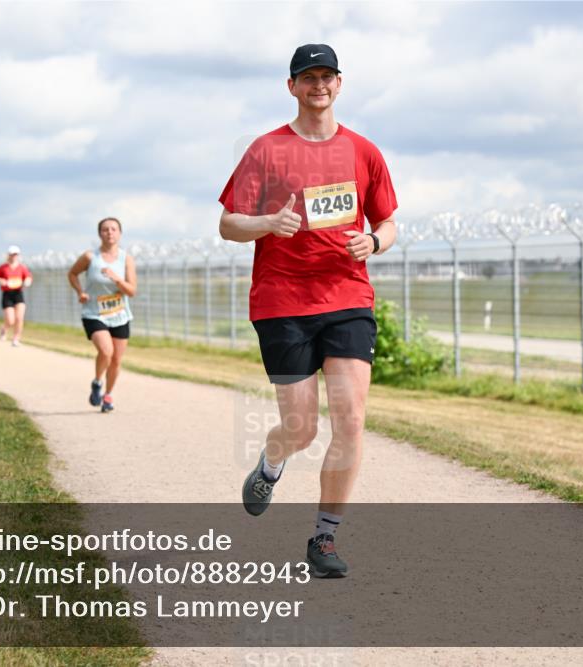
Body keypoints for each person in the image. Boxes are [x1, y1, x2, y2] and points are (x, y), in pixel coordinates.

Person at [218, 44, 397, 578]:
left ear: (339, 84)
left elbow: (388, 222)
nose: (318, 85)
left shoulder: (364, 151)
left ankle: (324, 538)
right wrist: (269, 223)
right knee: (300, 428)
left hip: (347, 298)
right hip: (283, 301)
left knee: (351, 419)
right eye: (308, 77)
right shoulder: (267, 150)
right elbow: (229, 224)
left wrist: (375, 242)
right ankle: (272, 462)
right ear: (292, 86)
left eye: (327, 76)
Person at [68, 217, 138, 413]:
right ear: (100, 234)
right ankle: (98, 381)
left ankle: (108, 395)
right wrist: (80, 291)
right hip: (94, 313)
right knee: (106, 352)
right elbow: (72, 274)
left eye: (114, 229)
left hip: (120, 314)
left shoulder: (126, 259)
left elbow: (132, 291)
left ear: (120, 233)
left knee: (116, 359)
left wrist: (117, 279)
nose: (110, 233)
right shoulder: (90, 257)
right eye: (105, 229)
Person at [0, 245, 32, 347]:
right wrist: (2, 281)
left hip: (18, 293)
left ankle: (16, 338)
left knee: (19, 317)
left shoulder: (22, 267)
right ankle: (4, 329)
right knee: (11, 320)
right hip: (7, 294)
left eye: (16, 255)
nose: (14, 256)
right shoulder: (3, 267)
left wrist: (27, 282)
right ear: (9, 255)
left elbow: (28, 277)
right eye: (12, 254)